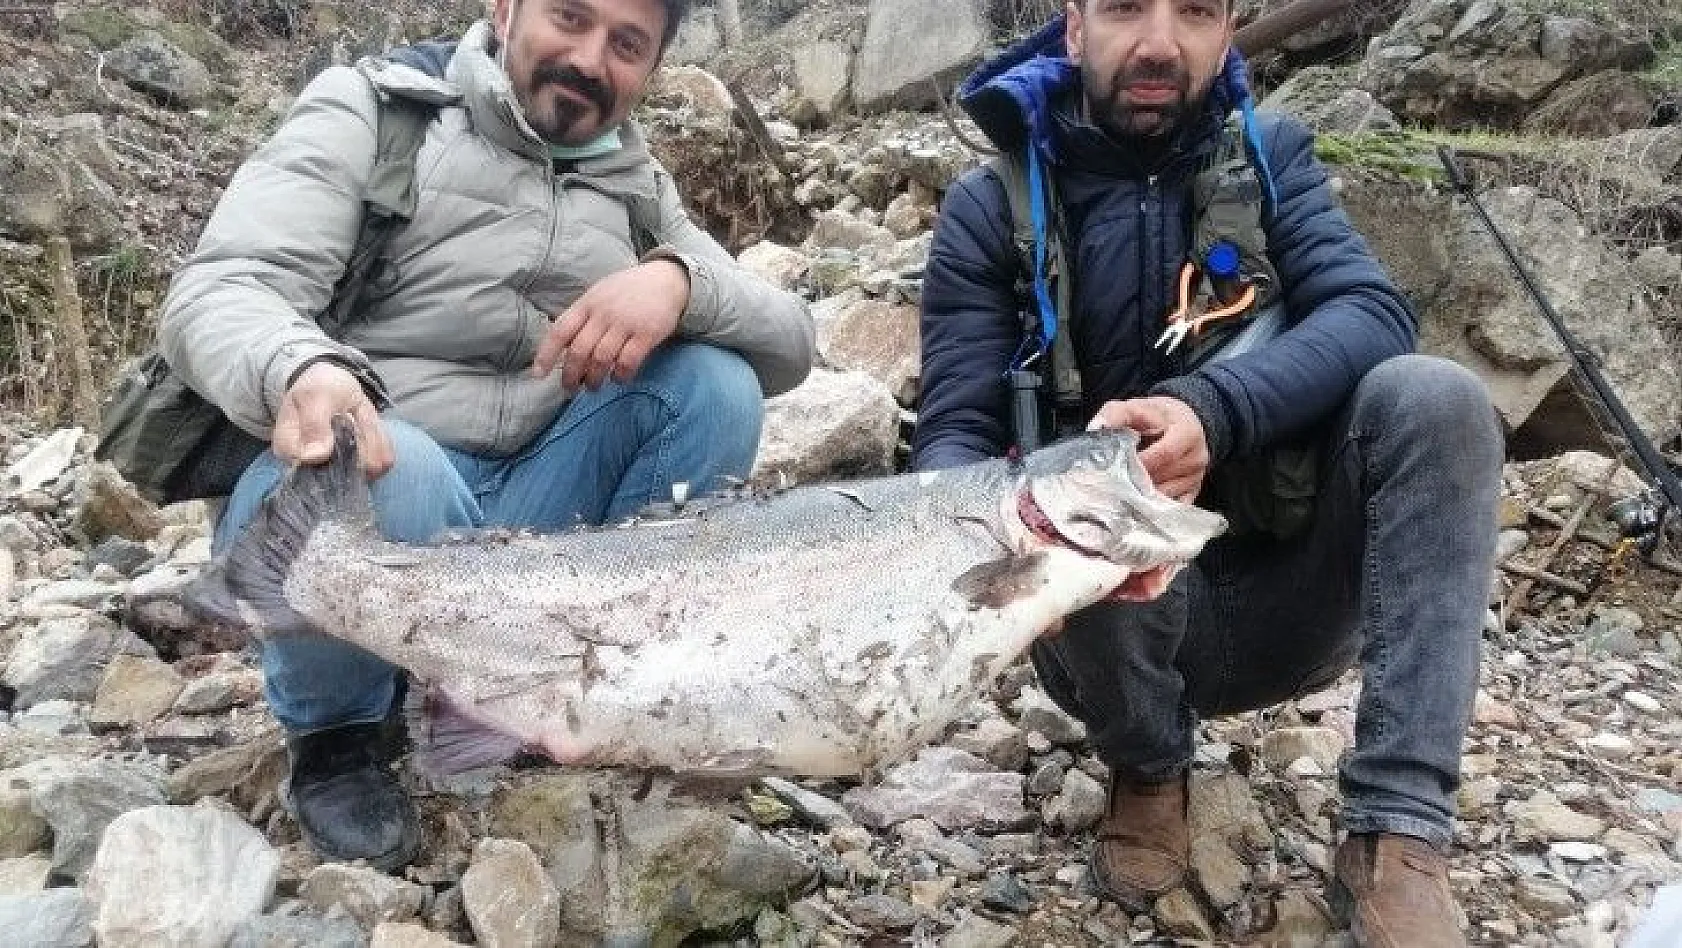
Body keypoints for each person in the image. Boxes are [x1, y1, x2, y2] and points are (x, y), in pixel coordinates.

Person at [157, 0, 813, 871]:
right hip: (384, 486)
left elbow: (793, 343)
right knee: (393, 469)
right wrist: (300, 368)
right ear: (505, 9)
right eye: (570, 18)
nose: (588, 59)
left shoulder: (637, 184)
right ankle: (343, 735)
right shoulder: (377, 114)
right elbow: (222, 288)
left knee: (716, 388)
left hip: (534, 513)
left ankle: (582, 691)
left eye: (626, 44)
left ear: (651, 69)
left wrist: (680, 280)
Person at [915, 2, 1500, 945]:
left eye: (1193, 11)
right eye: (1123, 9)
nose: (1158, 42)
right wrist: (996, 559)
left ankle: (1398, 831)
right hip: (1097, 629)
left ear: (1227, 32)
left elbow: (1370, 311)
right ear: (1073, 32)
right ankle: (1147, 768)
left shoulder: (1272, 159)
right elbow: (951, 431)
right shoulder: (989, 208)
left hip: (1290, 600)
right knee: (1089, 490)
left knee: (1438, 397)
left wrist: (1214, 414)